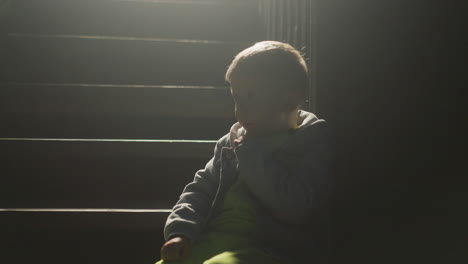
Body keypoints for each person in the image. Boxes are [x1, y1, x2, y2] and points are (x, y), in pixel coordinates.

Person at [155, 40, 334, 264]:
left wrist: (252, 155)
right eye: (237, 98)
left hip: (266, 249)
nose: (240, 110)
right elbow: (200, 190)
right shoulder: (229, 143)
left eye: (252, 98)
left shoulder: (310, 141)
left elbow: (296, 206)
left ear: (290, 100)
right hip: (212, 240)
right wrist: (181, 232)